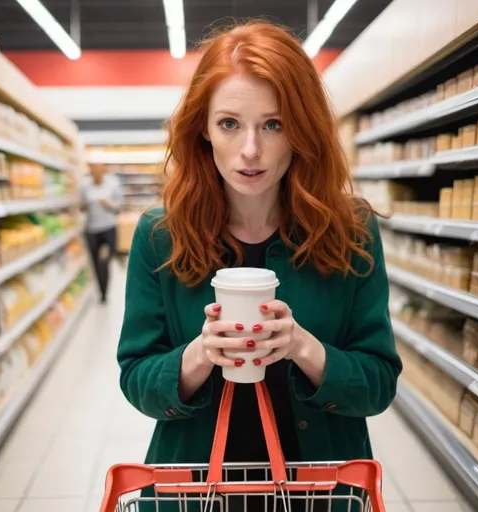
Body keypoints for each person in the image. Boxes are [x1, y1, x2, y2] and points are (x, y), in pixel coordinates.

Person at [116, 21, 402, 512]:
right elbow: (136, 379)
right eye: (230, 123)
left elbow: (378, 385)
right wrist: (202, 353)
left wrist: (303, 348)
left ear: (303, 129)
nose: (251, 150)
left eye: (274, 124)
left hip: (321, 490)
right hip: (190, 491)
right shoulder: (160, 235)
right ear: (202, 128)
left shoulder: (351, 231)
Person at [80, 164, 123, 303]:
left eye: (98, 171)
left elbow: (120, 206)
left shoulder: (113, 184)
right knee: (95, 262)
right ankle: (102, 291)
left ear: (103, 171)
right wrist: (85, 204)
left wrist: (108, 204)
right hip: (92, 230)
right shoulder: (85, 187)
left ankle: (105, 289)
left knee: (104, 261)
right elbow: (81, 208)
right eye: (93, 172)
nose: (96, 174)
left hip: (109, 228)